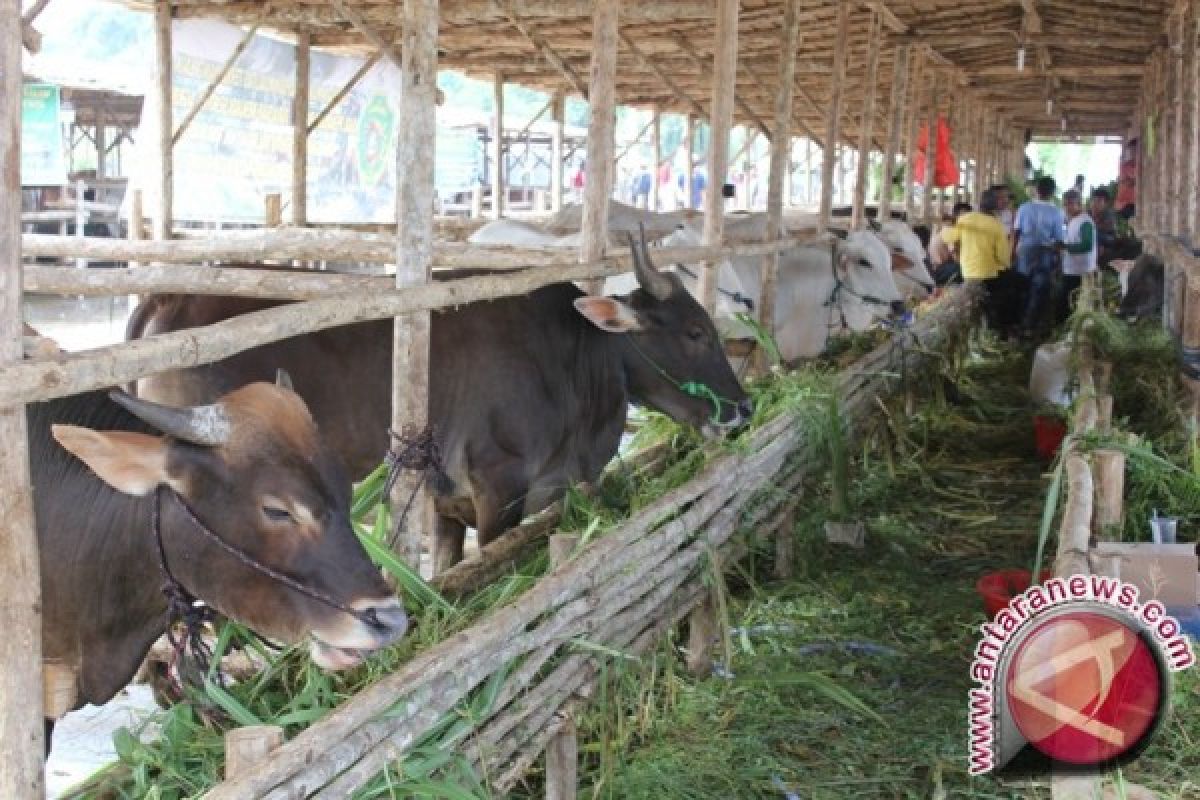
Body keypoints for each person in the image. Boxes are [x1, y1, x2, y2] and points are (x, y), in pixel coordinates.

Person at [940, 189, 1014, 330]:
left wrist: (946, 226)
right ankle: (992, 331)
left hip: (969, 272)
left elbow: (948, 237)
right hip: (989, 273)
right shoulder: (996, 224)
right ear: (995, 206)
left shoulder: (965, 218)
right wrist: (1007, 265)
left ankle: (973, 330)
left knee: (972, 304)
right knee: (991, 305)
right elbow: (1003, 254)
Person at [1012, 175, 1066, 338]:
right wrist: (1058, 260)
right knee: (1039, 289)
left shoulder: (1024, 208)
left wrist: (1012, 253)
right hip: (1045, 252)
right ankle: (1030, 324)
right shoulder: (1057, 212)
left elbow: (1016, 232)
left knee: (1022, 286)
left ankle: (1018, 322)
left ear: (1036, 190)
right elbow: (1058, 239)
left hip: (1025, 251)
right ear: (1052, 192)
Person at [1056, 189, 1097, 323]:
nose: (1067, 207)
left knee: (1071, 304)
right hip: (1071, 269)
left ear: (1079, 204)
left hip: (1080, 272)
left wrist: (1066, 247)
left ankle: (1066, 328)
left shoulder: (1085, 221)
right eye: (1065, 204)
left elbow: (1087, 245)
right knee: (1067, 302)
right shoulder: (1073, 220)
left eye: (1070, 204)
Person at [929, 202, 973, 285]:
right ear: (956, 215)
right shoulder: (950, 229)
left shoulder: (944, 226)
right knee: (968, 268)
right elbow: (956, 257)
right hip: (939, 270)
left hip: (939, 267)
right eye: (965, 216)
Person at [1089, 187, 1119, 265]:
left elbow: (1107, 227)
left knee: (1094, 235)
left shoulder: (1109, 213)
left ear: (1105, 203)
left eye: (1099, 201)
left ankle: (1096, 261)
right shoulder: (1088, 212)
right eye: (1094, 200)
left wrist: (1094, 221)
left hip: (1109, 238)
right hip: (1096, 237)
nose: (1095, 203)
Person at [1115, 139, 1138, 219]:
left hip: (1135, 204)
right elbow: (1126, 182)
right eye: (1131, 151)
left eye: (1135, 150)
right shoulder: (1125, 166)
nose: (1132, 153)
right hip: (1124, 205)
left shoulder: (1143, 166)